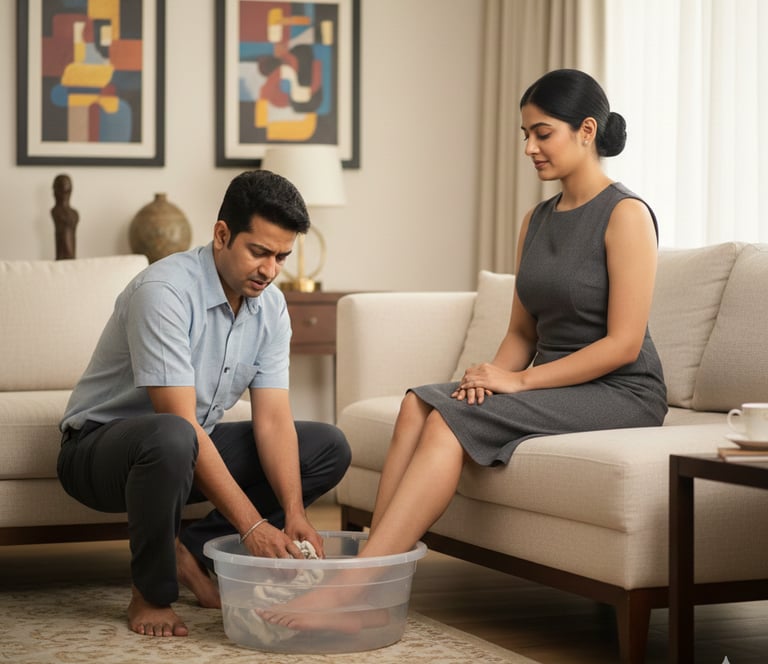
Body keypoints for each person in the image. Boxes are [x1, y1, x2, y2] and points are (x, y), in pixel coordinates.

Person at [257, 69, 668, 633]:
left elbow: (623, 345)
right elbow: (524, 332)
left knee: (449, 426)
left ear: (586, 130)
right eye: (525, 134)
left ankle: (348, 592)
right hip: (556, 381)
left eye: (542, 133)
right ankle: (375, 590)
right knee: (417, 404)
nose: (529, 148)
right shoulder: (536, 220)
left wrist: (517, 383)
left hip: (621, 391)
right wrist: (491, 375)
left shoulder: (626, 215)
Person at [57, 170, 351, 638]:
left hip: (184, 447)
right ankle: (151, 593)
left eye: (282, 256)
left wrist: (293, 511)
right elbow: (178, 421)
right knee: (173, 434)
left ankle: (193, 550)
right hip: (98, 453)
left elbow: (273, 421)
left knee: (327, 445)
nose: (270, 270)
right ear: (221, 235)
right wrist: (253, 526)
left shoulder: (270, 307)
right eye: (259, 252)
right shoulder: (165, 293)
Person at [51, 174, 79, 260]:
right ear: (55, 191)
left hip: (71, 259)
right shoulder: (55, 212)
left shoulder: (74, 213)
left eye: (68, 191)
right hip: (61, 258)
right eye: (62, 191)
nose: (65, 195)